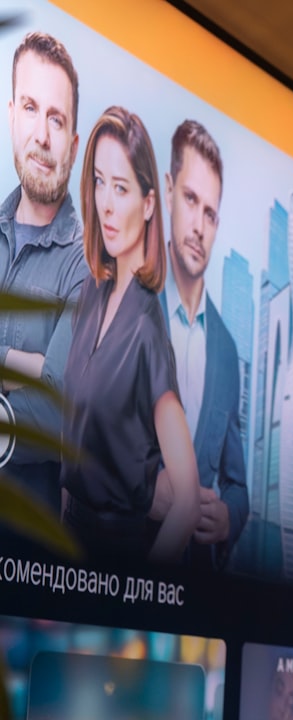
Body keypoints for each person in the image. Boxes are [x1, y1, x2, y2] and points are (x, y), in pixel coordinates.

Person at [60, 105, 198, 563]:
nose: (106, 203)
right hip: (65, 549)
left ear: (150, 203)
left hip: (111, 558)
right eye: (99, 181)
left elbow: (187, 496)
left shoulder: (146, 327)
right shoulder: (91, 291)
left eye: (121, 187)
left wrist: (140, 586)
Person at [154, 119, 248, 570]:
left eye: (210, 213)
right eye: (191, 200)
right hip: (116, 579)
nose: (199, 225)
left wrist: (229, 516)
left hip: (197, 595)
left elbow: (238, 483)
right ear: (168, 190)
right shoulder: (131, 307)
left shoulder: (228, 351)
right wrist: (143, 488)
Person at [0, 32, 88, 511]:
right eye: (31, 109)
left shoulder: (88, 265)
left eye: (57, 118)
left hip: (25, 568)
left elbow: (59, 413)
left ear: (73, 144)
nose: (42, 135)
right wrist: (27, 366)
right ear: (11, 115)